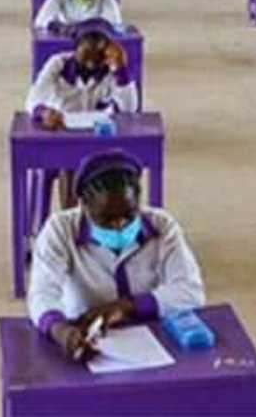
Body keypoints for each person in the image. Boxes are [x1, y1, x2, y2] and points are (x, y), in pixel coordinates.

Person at [27, 149, 204, 363]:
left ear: (139, 201)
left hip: (152, 335)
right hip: (84, 334)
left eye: (129, 215)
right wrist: (62, 331)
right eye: (106, 219)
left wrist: (126, 306)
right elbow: (42, 294)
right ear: (83, 206)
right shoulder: (60, 230)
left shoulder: (162, 227)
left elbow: (190, 291)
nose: (119, 225)